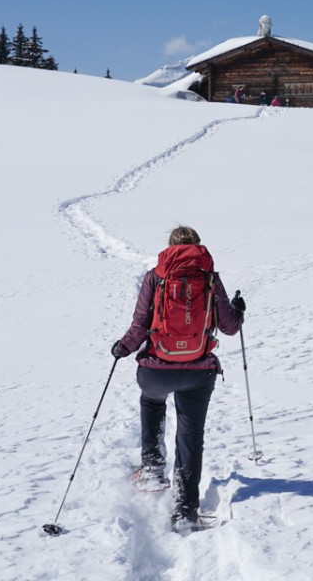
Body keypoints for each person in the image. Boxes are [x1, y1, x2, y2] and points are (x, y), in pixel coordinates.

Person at [112, 225, 245, 527]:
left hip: (156, 369)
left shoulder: (156, 275)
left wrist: (122, 349)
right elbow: (229, 326)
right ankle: (185, 511)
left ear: (170, 246)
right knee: (190, 436)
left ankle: (153, 470)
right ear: (198, 246)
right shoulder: (210, 277)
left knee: (152, 400)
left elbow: (138, 326)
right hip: (198, 371)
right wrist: (238, 310)